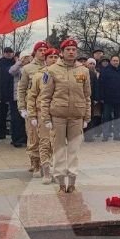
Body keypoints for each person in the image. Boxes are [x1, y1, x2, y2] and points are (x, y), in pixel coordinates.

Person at [39, 38, 91, 193]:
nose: (71, 52)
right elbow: (45, 96)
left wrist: (87, 117)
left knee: (74, 151)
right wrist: (46, 118)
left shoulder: (84, 70)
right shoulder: (52, 70)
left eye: (73, 49)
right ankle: (61, 183)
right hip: (58, 117)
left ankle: (72, 182)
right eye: (67, 49)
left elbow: (87, 96)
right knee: (59, 150)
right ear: (62, 52)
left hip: (76, 116)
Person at [27, 48, 60, 182]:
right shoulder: (39, 76)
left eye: (56, 56)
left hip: (59, 113)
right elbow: (31, 96)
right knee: (44, 142)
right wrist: (32, 115)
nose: (53, 59)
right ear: (45, 59)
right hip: (43, 113)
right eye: (50, 57)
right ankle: (45, 171)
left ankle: (56, 170)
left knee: (58, 143)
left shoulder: (62, 74)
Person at [18, 41, 48, 169]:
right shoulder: (27, 68)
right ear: (35, 52)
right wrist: (22, 107)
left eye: (44, 50)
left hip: (47, 107)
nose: (42, 52)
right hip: (32, 107)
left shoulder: (52, 67)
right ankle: (34, 161)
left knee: (46, 137)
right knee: (33, 135)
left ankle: (45, 161)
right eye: (40, 50)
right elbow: (22, 89)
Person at [98, 55, 120, 142]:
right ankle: (105, 135)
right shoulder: (105, 71)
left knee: (118, 118)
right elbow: (101, 85)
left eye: (117, 60)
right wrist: (102, 97)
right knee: (106, 118)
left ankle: (117, 135)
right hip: (108, 99)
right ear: (111, 61)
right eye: (114, 60)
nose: (116, 62)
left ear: (119, 61)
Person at [0, 47, 16, 140]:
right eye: (6, 52)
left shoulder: (16, 62)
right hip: (3, 92)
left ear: (13, 53)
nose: (8, 54)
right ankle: (2, 133)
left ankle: (14, 134)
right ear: (3, 53)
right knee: (2, 115)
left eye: (10, 52)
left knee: (14, 115)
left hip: (14, 92)